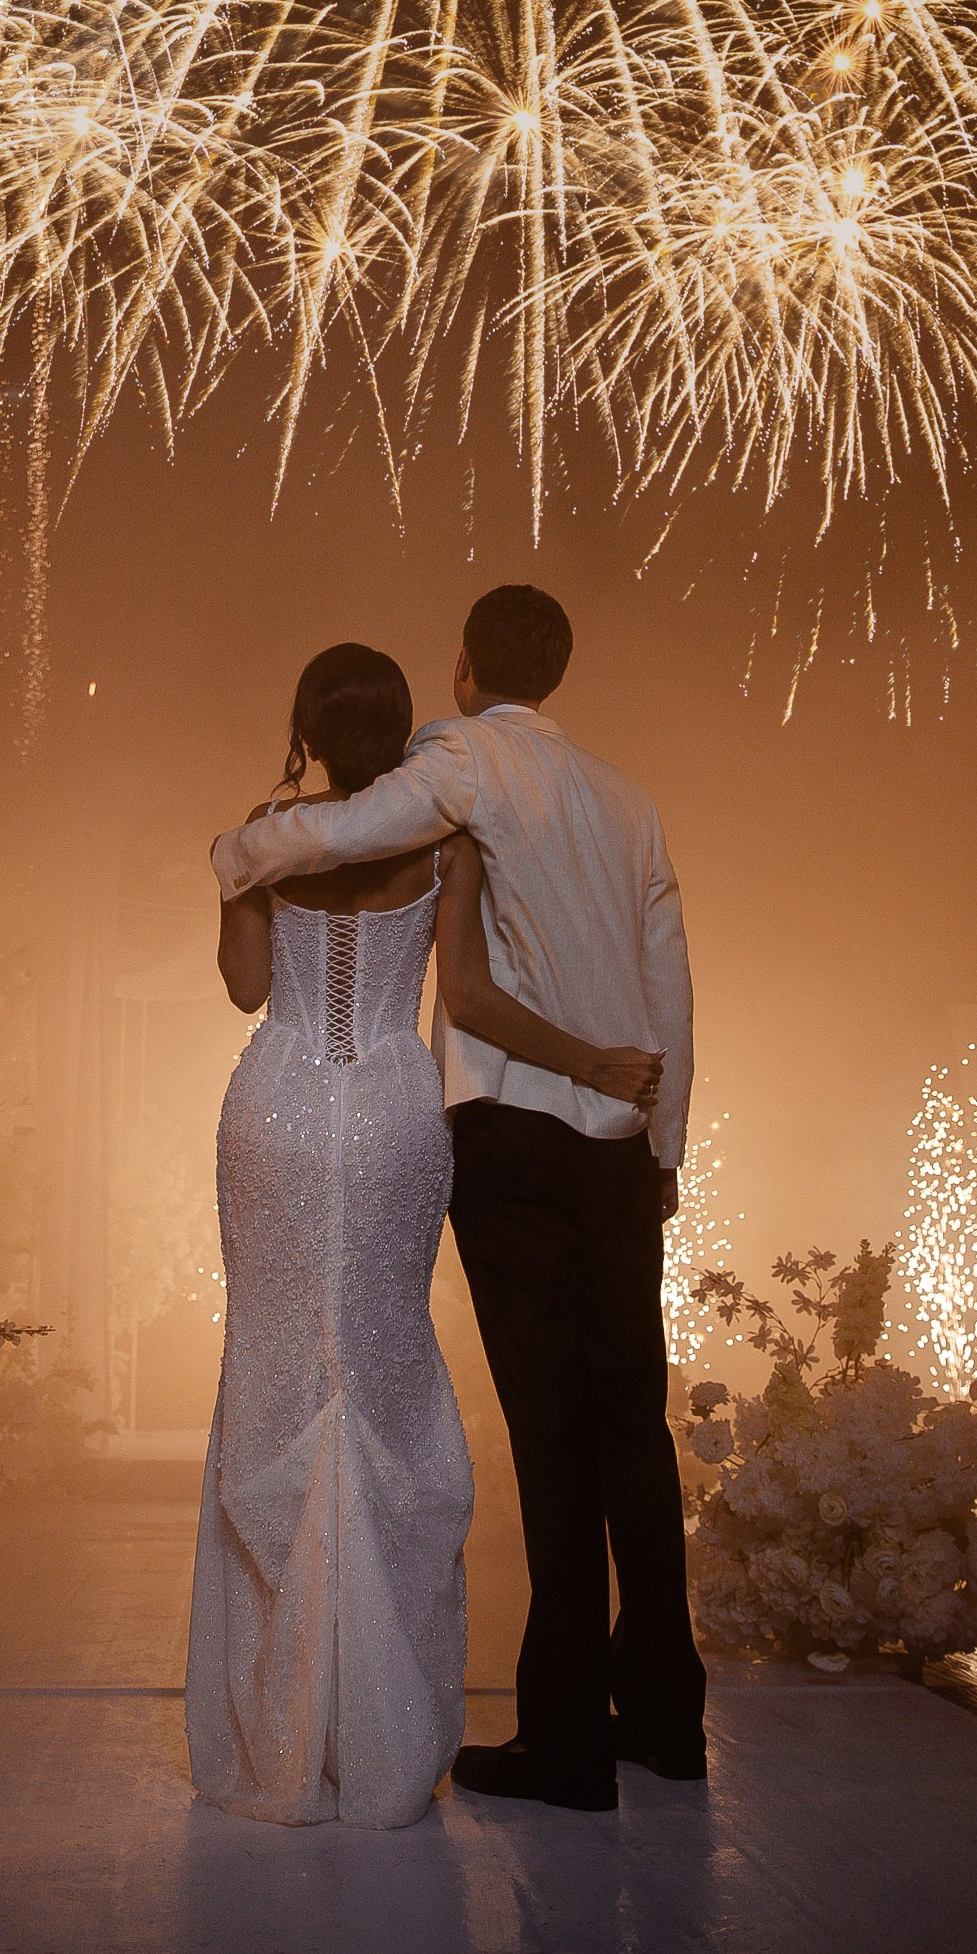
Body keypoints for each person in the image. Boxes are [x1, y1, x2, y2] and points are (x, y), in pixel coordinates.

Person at [210, 587, 705, 1814]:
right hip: (601, 1142)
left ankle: (564, 1740)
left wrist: (236, 851)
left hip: (501, 1123)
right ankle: (662, 1715)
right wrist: (661, 1137)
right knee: (631, 1430)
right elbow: (669, 983)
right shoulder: (629, 799)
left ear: (469, 667)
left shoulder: (458, 763)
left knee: (544, 1430)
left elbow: (318, 856)